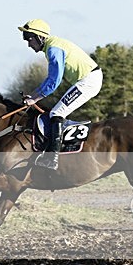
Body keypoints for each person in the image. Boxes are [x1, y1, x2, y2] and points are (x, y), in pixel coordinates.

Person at [18, 19, 103, 170]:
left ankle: (52, 158)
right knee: (56, 111)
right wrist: (33, 96)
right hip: (88, 79)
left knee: (57, 112)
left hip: (88, 80)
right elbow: (49, 81)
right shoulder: (52, 46)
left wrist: (35, 98)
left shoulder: (54, 49)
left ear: (39, 37)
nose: (28, 44)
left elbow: (54, 81)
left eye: (29, 39)